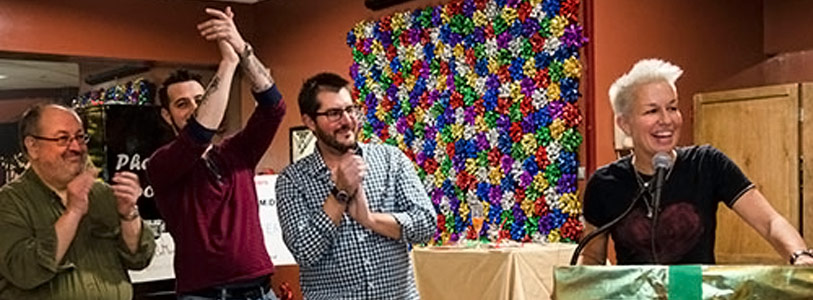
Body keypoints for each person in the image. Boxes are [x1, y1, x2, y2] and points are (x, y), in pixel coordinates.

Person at [579, 58, 813, 265]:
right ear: (625, 124)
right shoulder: (604, 183)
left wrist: (799, 255)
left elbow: (770, 222)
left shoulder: (706, 164)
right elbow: (592, 258)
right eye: (652, 111)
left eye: (672, 108)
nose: (666, 120)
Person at [145, 6, 285, 300]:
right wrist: (228, 64)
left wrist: (242, 49)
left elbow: (274, 107)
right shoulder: (162, 163)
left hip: (260, 290)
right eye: (182, 104)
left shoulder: (238, 151)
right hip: (205, 295)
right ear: (166, 116)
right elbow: (199, 134)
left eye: (200, 98)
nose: (195, 108)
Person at [276, 72, 435, 299]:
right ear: (309, 121)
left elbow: (426, 224)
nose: (347, 120)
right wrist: (339, 194)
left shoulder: (391, 159)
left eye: (350, 110)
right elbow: (304, 251)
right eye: (334, 113)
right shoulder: (292, 180)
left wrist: (370, 220)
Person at [0, 104, 155, 299]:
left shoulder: (104, 194)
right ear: (33, 146)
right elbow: (24, 271)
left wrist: (129, 214)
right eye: (63, 138)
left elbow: (139, 258)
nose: (76, 147)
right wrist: (73, 212)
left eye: (80, 137)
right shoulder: (9, 202)